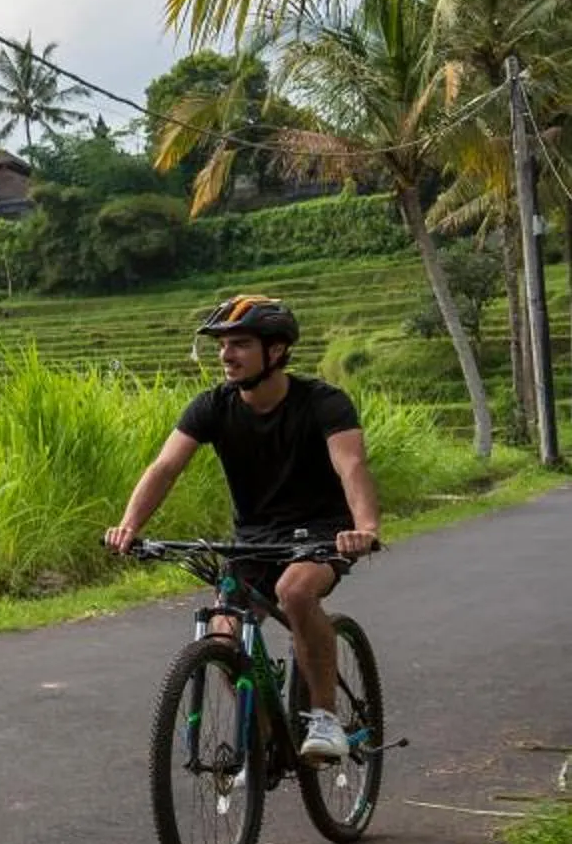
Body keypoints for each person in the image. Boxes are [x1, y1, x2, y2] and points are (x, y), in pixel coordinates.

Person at [105, 294, 381, 763]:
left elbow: (350, 465)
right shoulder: (212, 407)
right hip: (253, 540)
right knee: (221, 636)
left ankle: (325, 718)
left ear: (274, 351)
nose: (226, 355)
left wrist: (365, 527)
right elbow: (165, 467)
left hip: (321, 534)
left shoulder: (323, 403)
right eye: (222, 345)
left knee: (296, 593)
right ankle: (270, 738)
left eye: (240, 344)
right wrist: (130, 525)